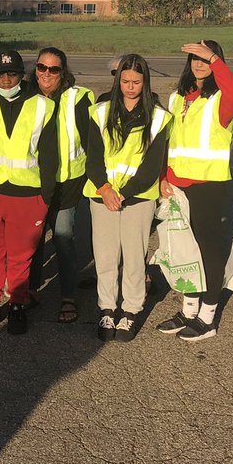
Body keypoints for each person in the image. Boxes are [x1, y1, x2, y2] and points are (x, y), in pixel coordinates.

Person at [156, 41, 233, 341]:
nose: (199, 63)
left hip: (208, 184)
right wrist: (163, 177)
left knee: (208, 248)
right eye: (195, 58)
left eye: (205, 59)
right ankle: (189, 310)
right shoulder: (178, 97)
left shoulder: (222, 99)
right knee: (185, 250)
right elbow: (168, 142)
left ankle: (208, 316)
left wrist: (215, 60)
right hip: (177, 184)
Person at [0, 50, 58, 336]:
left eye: (12, 74)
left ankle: (17, 303)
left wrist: (45, 197)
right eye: (1, 74)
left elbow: (50, 156)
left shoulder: (43, 106)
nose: (6, 80)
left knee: (21, 256)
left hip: (27, 195)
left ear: (21, 75)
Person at [85, 53, 172, 343]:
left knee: (134, 258)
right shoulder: (100, 112)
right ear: (118, 81)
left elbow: (152, 165)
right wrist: (105, 189)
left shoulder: (159, 117)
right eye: (125, 81)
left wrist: (124, 193)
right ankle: (107, 308)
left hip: (137, 198)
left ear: (145, 82)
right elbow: (93, 157)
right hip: (103, 196)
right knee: (106, 256)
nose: (130, 87)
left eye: (136, 82)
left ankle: (131, 310)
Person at [28, 47, 94, 324]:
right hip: (33, 182)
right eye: (41, 67)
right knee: (32, 240)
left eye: (53, 69)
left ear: (63, 72)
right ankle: (31, 289)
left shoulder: (78, 98)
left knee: (63, 239)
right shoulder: (26, 96)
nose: (46, 73)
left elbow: (91, 142)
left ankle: (68, 295)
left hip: (67, 183)